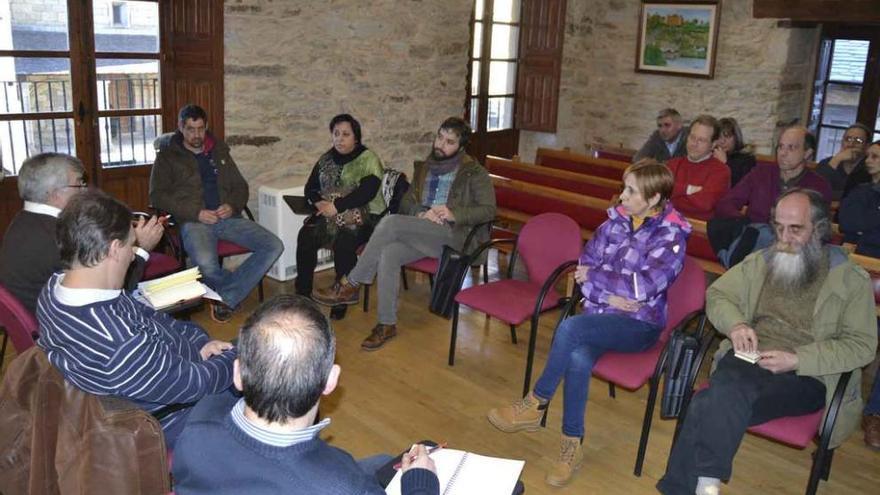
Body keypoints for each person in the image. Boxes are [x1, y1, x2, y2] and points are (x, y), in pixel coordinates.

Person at [657, 189, 876, 495]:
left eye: (795, 228)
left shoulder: (849, 279)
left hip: (806, 374)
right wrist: (737, 324)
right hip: (751, 356)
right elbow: (719, 294)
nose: (784, 238)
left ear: (820, 229)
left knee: (707, 402)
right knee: (726, 389)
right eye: (779, 227)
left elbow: (862, 344)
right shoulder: (762, 260)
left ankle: (699, 484)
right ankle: (706, 486)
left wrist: (798, 358)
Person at [486, 161, 691, 487]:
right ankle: (572, 444)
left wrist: (601, 280)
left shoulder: (672, 235)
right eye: (624, 187)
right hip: (602, 313)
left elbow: (644, 287)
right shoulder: (614, 223)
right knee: (578, 356)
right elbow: (584, 270)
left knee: (569, 328)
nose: (621, 195)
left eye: (630, 191)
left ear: (653, 199)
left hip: (641, 326)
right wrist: (609, 294)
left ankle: (536, 402)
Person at [172, 295, 440, 494]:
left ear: (238, 373)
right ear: (331, 381)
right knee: (411, 462)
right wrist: (421, 486)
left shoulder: (197, 424)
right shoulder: (342, 484)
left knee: (382, 461)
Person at [36, 190, 236, 447]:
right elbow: (195, 384)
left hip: (167, 378)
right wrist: (239, 358)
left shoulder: (57, 288)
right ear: (114, 250)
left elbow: (147, 315)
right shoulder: (118, 343)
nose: (134, 254)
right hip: (169, 419)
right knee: (279, 377)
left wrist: (199, 342)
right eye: (132, 245)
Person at [312, 117, 496, 351]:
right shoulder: (425, 167)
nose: (440, 144)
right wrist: (420, 212)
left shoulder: (474, 172)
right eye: (439, 137)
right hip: (423, 230)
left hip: (454, 235)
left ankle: (351, 282)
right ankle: (386, 324)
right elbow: (407, 201)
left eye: (449, 142)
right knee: (389, 252)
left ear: (460, 147)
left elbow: (489, 210)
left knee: (390, 223)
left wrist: (453, 213)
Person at [150, 104, 283, 322]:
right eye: (190, 129)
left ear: (206, 126)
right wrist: (196, 212)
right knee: (206, 263)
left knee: (274, 245)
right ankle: (229, 294)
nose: (196, 135)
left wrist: (232, 205)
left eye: (200, 129)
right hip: (194, 221)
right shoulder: (167, 156)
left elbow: (240, 187)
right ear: (180, 127)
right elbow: (157, 196)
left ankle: (225, 295)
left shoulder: (219, 150)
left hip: (227, 218)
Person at [0, 152, 162, 315]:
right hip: (76, 328)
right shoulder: (61, 237)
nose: (85, 190)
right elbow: (112, 293)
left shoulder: (22, 222)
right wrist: (141, 248)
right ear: (55, 194)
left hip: (46, 319)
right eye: (79, 185)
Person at [295, 114, 385, 314]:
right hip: (330, 216)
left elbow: (367, 192)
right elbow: (310, 188)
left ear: (356, 137)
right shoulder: (326, 159)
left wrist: (338, 206)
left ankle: (341, 296)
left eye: (346, 134)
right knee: (306, 235)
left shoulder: (368, 159)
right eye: (336, 134)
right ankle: (303, 293)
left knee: (345, 240)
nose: (340, 139)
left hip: (366, 217)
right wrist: (319, 202)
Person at [708, 126, 832, 268]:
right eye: (780, 147)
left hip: (791, 251)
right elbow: (726, 203)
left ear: (807, 153)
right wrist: (744, 223)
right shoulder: (761, 172)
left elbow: (820, 230)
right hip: (752, 245)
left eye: (791, 148)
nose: (783, 153)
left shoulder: (818, 186)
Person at [666, 114, 731, 220]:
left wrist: (674, 191)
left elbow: (704, 205)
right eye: (692, 137)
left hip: (698, 231)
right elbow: (658, 194)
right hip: (666, 225)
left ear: (713, 144)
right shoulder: (672, 164)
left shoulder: (721, 171)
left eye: (702, 140)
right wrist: (688, 189)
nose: (694, 144)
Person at [839, 140, 880, 257]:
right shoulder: (859, 188)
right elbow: (846, 223)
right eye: (867, 156)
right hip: (855, 252)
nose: (867, 161)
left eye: (875, 157)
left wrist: (863, 231)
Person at [815, 123, 872, 200]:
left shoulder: (871, 167)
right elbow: (816, 191)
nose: (851, 144)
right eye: (848, 139)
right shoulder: (827, 163)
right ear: (842, 142)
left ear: (867, 146)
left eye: (858, 141)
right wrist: (837, 159)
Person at [712, 117, 756, 187]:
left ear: (736, 138)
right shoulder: (713, 154)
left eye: (727, 137)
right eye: (719, 137)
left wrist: (725, 163)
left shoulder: (747, 159)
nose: (722, 141)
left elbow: (742, 186)